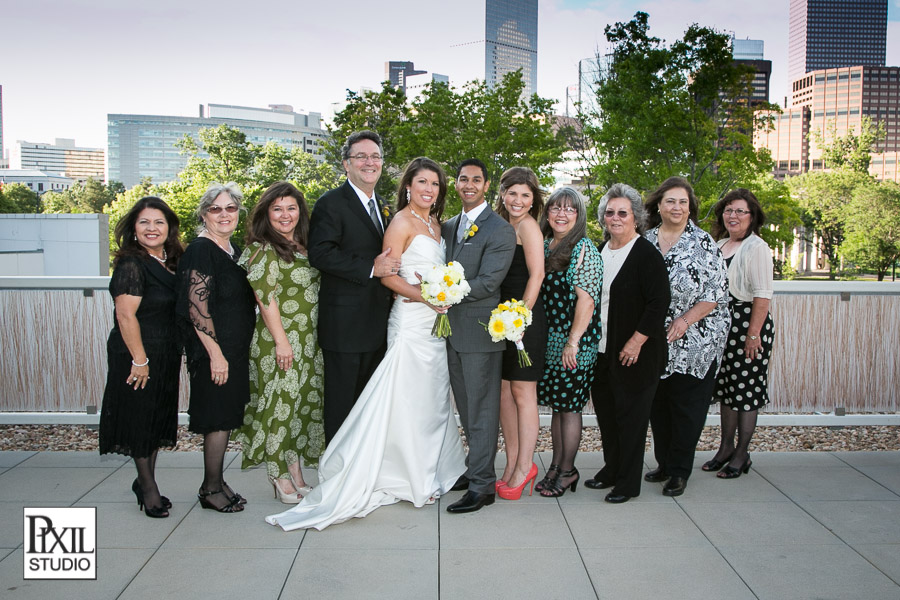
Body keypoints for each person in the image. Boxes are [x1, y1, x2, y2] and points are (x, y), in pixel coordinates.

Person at [266, 157, 466, 530]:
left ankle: (431, 466)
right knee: (402, 397)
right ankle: (399, 473)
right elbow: (388, 275)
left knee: (430, 399)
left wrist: (444, 293)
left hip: (432, 325)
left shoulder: (435, 224)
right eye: (422, 182)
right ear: (408, 185)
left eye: (435, 184)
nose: (428, 189)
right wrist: (427, 296)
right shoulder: (400, 221)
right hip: (410, 320)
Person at [233, 182, 325, 504]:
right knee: (279, 410)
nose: (285, 215)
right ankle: (279, 477)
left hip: (309, 341)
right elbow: (265, 298)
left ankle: (296, 474)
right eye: (277, 209)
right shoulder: (263, 248)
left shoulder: (304, 244)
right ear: (266, 214)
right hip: (280, 343)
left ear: (300, 211)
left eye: (291, 208)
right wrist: (283, 344)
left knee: (299, 409)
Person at [308, 130, 401, 444]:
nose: (369, 162)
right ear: (346, 164)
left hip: (378, 323)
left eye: (375, 156)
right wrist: (371, 268)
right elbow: (320, 253)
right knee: (342, 405)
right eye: (361, 156)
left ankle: (360, 470)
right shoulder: (331, 204)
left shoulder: (383, 206)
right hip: (344, 327)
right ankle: (337, 475)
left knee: (367, 405)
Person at [642, 177, 729, 497]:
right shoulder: (645, 240)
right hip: (655, 337)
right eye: (670, 201)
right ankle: (664, 463)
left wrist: (685, 320)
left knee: (686, 406)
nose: (676, 207)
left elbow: (716, 293)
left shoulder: (704, 243)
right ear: (658, 206)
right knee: (658, 404)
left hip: (696, 337)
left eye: (682, 202)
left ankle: (679, 471)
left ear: (690, 207)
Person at [99, 196, 184, 518]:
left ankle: (145, 480)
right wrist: (139, 360)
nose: (152, 228)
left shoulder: (171, 260)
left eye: (159, 222)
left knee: (154, 417)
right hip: (137, 355)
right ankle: (148, 488)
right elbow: (125, 316)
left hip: (164, 353)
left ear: (169, 228)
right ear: (134, 229)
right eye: (145, 222)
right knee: (139, 419)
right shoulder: (132, 264)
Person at [586, 183, 670, 504]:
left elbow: (659, 301)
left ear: (636, 217)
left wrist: (636, 341)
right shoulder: (598, 250)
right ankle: (612, 469)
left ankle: (628, 483)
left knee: (631, 420)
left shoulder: (646, 253)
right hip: (602, 352)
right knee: (607, 416)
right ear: (603, 218)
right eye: (610, 212)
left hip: (636, 354)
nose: (616, 218)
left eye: (623, 212)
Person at [441, 159, 516, 514]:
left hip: (480, 333)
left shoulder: (500, 230)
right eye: (462, 179)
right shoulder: (449, 226)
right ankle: (475, 470)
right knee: (468, 410)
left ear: (486, 186)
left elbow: (488, 282)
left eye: (476, 179)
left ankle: (483, 487)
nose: (468, 184)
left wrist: (443, 293)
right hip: (450, 332)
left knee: (482, 411)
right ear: (455, 184)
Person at [176, 182, 256, 513]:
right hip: (215, 354)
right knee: (218, 420)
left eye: (231, 208)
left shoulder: (231, 249)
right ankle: (210, 489)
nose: (224, 215)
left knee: (225, 417)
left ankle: (218, 482)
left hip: (232, 350)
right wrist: (216, 355)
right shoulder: (201, 250)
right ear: (204, 214)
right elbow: (196, 307)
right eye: (216, 209)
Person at [534, 187, 602, 498]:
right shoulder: (546, 245)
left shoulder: (584, 248)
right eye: (556, 208)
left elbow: (586, 302)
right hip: (551, 341)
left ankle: (568, 470)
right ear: (547, 213)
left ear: (579, 215)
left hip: (575, 343)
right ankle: (555, 466)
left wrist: (572, 342)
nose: (562, 214)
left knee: (570, 407)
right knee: (558, 408)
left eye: (569, 209)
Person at [703, 188, 774, 479]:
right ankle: (725, 448)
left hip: (748, 324)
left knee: (746, 391)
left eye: (740, 211)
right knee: (727, 391)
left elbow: (762, 295)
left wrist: (753, 334)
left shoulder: (756, 247)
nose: (733, 216)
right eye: (729, 210)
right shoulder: (720, 244)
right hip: (724, 326)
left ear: (752, 216)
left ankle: (742, 453)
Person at [494, 167, 547, 501]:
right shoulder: (502, 226)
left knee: (524, 394)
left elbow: (536, 275)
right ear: (502, 193)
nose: (518, 200)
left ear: (533, 199)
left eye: (525, 195)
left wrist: (520, 317)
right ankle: (512, 461)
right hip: (502, 320)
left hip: (523, 320)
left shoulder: (528, 227)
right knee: (503, 393)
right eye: (513, 193)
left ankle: (526, 465)